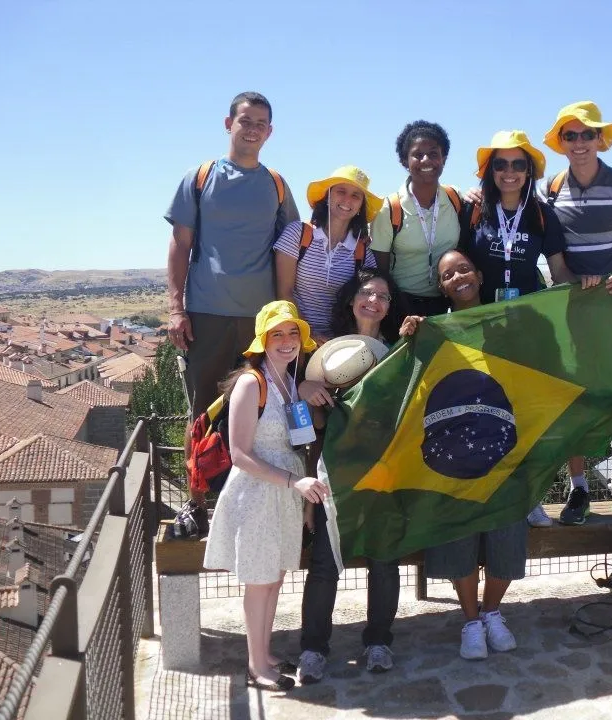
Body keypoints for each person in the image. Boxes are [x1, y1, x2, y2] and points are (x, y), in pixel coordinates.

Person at [165, 91, 300, 513]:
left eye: (261, 123)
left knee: (261, 411)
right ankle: (198, 500)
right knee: (203, 411)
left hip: (260, 324)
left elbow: (291, 249)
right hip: (206, 315)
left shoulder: (277, 185)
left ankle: (250, 498)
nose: (253, 129)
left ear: (270, 132)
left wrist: (287, 313)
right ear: (229, 124)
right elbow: (179, 244)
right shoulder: (200, 177)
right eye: (246, 121)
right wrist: (175, 308)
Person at [400, 250, 527, 661]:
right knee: (458, 537)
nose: (458, 277)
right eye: (448, 274)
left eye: (464, 269)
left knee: (508, 536)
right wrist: (412, 336)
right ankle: (471, 621)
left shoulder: (504, 323)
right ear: (441, 287)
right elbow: (409, 378)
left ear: (478, 274)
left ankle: (493, 612)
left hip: (503, 448)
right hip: (452, 454)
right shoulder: (433, 329)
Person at [203, 300, 328, 691]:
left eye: (293, 334)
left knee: (272, 580)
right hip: (257, 496)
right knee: (259, 583)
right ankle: (256, 667)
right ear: (263, 340)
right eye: (279, 334)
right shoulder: (250, 382)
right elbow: (240, 454)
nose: (288, 341)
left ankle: (265, 652)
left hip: (283, 495)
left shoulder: (288, 380)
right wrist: (295, 484)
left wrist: (297, 493)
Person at [541, 100, 612, 527]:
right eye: (570, 135)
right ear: (561, 143)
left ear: (600, 138)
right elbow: (554, 255)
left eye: (587, 134)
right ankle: (579, 490)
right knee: (574, 402)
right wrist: (572, 282)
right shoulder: (550, 190)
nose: (579, 142)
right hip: (573, 313)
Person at [460, 130, 575, 528]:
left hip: (528, 331)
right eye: (500, 164)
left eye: (518, 164)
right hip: (481, 327)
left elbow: (559, 270)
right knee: (483, 411)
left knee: (525, 415)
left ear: (529, 171)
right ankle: (485, 496)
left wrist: (585, 295)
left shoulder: (542, 214)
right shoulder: (471, 209)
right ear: (488, 170)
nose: (509, 172)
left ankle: (528, 498)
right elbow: (455, 262)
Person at [295, 269, 405, 683]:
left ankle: (379, 641)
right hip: (333, 475)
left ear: (390, 307)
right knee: (324, 564)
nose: (374, 301)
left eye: (383, 296)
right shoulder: (322, 354)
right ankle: (313, 648)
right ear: (351, 300)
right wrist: (306, 389)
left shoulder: (399, 352)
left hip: (385, 473)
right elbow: (307, 427)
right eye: (366, 293)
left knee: (384, 560)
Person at [274, 166, 383, 342]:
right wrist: (309, 335)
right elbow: (283, 292)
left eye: (356, 195)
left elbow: (368, 300)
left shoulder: (363, 252)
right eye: (341, 191)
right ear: (328, 196)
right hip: (295, 339)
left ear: (360, 206)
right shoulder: (297, 234)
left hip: (340, 343)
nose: (348, 200)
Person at [370, 120, 463, 318]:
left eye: (433, 153)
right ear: (405, 161)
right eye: (417, 155)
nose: (426, 160)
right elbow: (381, 271)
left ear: (444, 159)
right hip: (402, 305)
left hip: (448, 301)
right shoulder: (390, 209)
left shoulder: (455, 199)